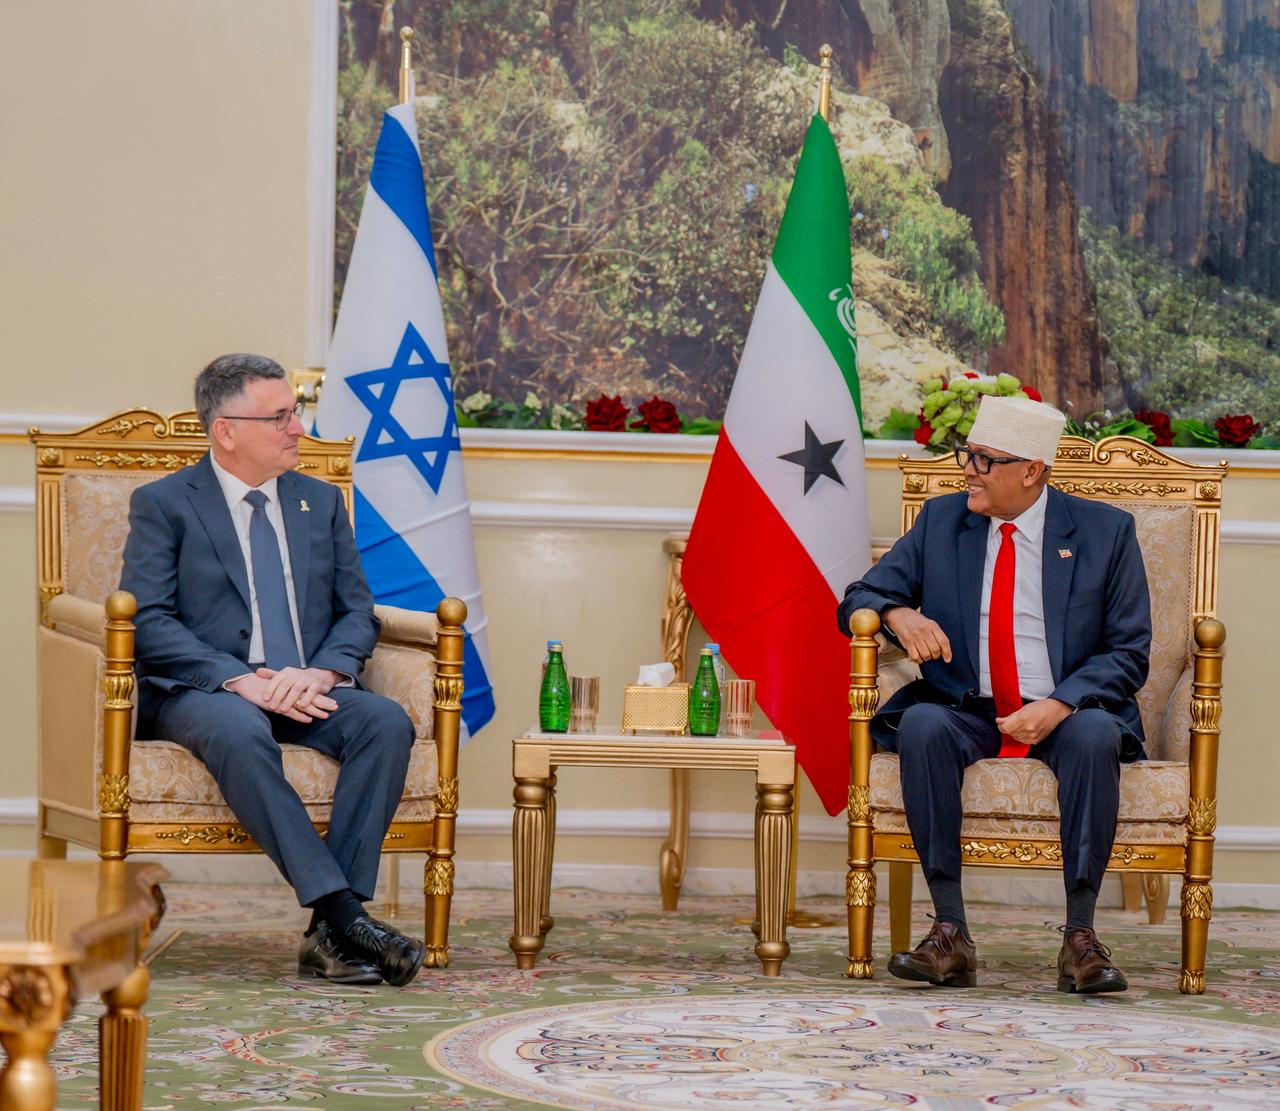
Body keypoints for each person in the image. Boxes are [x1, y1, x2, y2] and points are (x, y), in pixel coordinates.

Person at [120, 354, 424, 986]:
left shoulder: (320, 501)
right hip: (208, 690)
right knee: (238, 729)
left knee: (385, 723)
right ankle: (345, 914)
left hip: (306, 685)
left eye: (297, 412)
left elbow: (357, 612)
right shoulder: (165, 504)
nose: (298, 428)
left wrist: (326, 674)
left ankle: (327, 938)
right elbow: (148, 620)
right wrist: (242, 679)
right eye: (281, 416)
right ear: (225, 429)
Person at [837, 395, 1151, 994]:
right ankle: (950, 932)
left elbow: (1129, 650)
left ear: (1032, 470)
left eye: (984, 460)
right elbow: (857, 596)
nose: (967, 470)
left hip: (1067, 709)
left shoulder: (1105, 531)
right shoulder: (941, 521)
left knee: (1094, 736)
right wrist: (898, 613)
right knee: (922, 726)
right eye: (967, 455)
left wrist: (1058, 704)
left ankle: (1080, 939)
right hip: (970, 707)